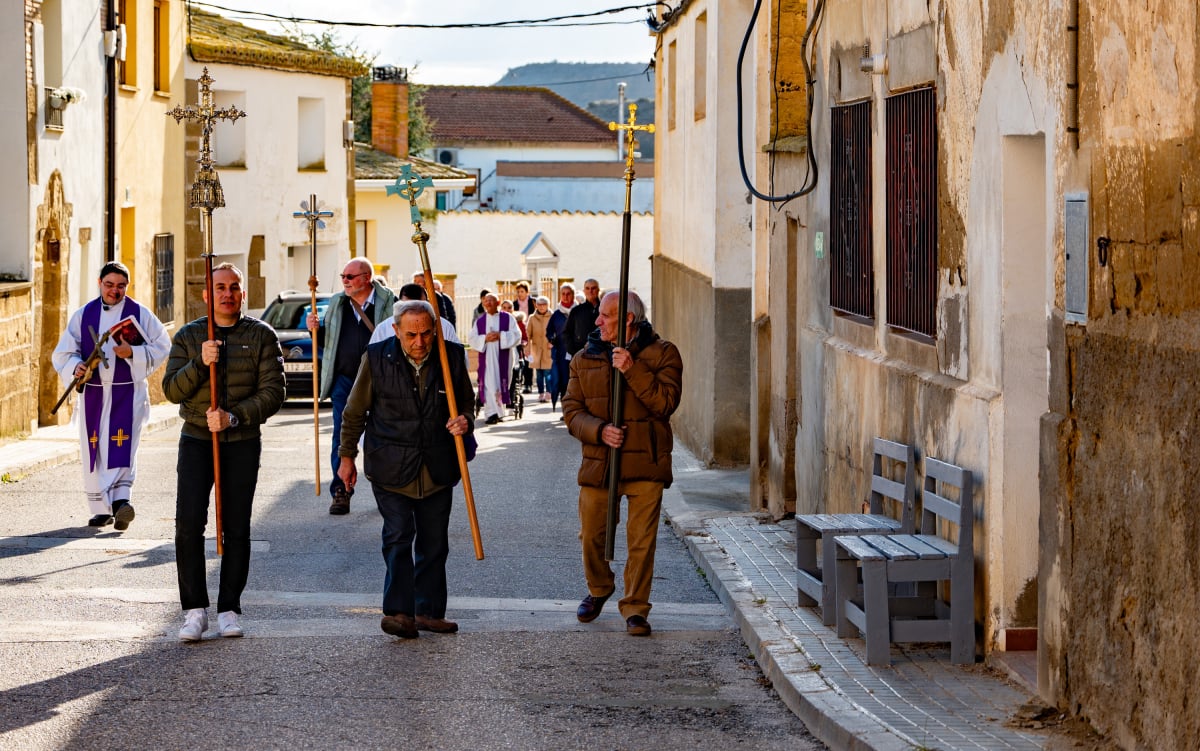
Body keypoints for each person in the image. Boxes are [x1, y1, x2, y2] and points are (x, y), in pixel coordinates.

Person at [337, 300, 475, 639]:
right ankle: (399, 612)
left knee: (434, 542)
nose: (419, 342)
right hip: (390, 464)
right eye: (411, 334)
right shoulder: (376, 358)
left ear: (435, 331)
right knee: (398, 536)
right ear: (396, 330)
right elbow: (354, 412)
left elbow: (467, 402)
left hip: (437, 465)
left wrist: (465, 421)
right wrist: (346, 457)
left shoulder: (451, 356)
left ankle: (428, 611)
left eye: (426, 333)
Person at [162, 262, 285, 641]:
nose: (227, 294)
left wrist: (233, 417)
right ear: (207, 294)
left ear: (243, 293)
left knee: (236, 527)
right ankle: (194, 610)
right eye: (219, 287)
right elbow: (172, 390)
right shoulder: (190, 336)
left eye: (234, 287)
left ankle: (229, 608)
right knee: (188, 525)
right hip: (197, 441)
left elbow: (274, 392)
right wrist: (201, 362)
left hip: (241, 442)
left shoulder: (261, 335)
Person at [562, 290, 682, 637]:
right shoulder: (584, 358)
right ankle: (600, 587)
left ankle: (636, 608)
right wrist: (599, 431)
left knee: (642, 542)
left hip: (646, 461)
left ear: (628, 319)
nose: (597, 320)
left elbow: (666, 403)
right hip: (600, 462)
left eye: (606, 315)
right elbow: (572, 410)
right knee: (591, 535)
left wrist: (632, 369)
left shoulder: (664, 353)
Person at [52, 261, 172, 530]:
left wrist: (134, 353)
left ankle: (120, 502)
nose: (114, 291)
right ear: (100, 283)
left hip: (127, 391)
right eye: (109, 285)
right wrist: (76, 366)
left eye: (121, 286)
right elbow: (63, 353)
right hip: (93, 393)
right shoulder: (84, 315)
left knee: (122, 445)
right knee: (95, 448)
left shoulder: (139, 313)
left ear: (127, 287)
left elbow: (163, 345)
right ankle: (100, 509)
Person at [308, 258, 397, 515]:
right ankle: (341, 490)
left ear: (366, 278)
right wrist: (315, 330)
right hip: (344, 379)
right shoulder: (338, 304)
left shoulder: (388, 303)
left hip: (379, 379)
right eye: (343, 276)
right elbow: (328, 342)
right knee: (341, 435)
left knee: (383, 434)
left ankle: (388, 490)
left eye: (350, 276)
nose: (345, 281)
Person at [467, 293, 522, 425]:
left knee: (502, 383)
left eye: (491, 300)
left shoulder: (508, 318)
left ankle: (499, 412)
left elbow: (517, 335)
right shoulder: (480, 321)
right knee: (489, 384)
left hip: (504, 357)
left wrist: (501, 335)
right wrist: (485, 338)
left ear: (498, 302)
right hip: (487, 358)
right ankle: (491, 413)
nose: (488, 303)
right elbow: (472, 338)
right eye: (486, 301)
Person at [369, 283, 460, 348]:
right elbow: (373, 359)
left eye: (419, 306)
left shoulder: (443, 327)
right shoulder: (383, 329)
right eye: (408, 307)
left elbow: (459, 360)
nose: (419, 343)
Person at [545, 283, 575, 409]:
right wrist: (552, 339)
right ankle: (566, 410)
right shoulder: (556, 314)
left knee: (576, 381)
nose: (566, 296)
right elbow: (549, 331)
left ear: (573, 295)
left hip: (577, 352)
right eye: (563, 294)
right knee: (563, 381)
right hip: (562, 353)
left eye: (568, 294)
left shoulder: (578, 312)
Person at [563, 278, 602, 357]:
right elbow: (567, 333)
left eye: (593, 288)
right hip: (580, 355)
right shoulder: (577, 311)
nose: (590, 291)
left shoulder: (605, 309)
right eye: (587, 288)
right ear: (584, 291)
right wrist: (573, 352)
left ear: (598, 290)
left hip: (602, 354)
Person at [525, 296, 553, 402]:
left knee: (548, 372)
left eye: (544, 304)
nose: (541, 307)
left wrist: (553, 342)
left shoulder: (552, 316)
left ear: (548, 305)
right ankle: (541, 393)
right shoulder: (532, 318)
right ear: (536, 305)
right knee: (539, 373)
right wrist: (527, 348)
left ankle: (549, 392)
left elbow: (557, 331)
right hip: (536, 349)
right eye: (539, 304)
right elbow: (528, 334)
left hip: (548, 348)